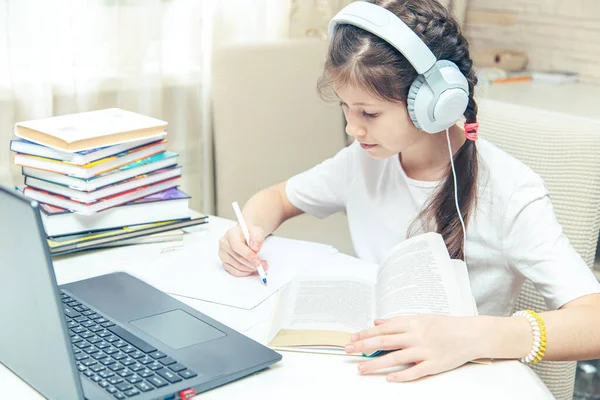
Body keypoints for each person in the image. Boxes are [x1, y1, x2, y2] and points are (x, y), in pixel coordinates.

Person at [218, 0, 600, 383]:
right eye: (345, 108)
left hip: (463, 380)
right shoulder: (363, 160)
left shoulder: (510, 192)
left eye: (369, 113)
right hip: (369, 371)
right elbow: (277, 199)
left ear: (435, 104)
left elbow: (594, 321)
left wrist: (478, 335)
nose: (353, 129)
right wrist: (249, 230)